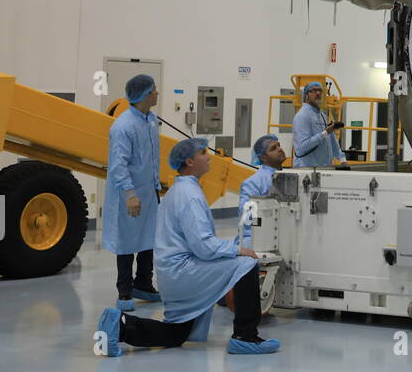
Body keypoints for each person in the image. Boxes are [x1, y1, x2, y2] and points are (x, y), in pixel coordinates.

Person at [96, 138, 281, 356]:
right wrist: (237, 249)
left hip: (173, 274)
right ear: (190, 161)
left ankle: (121, 325)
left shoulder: (179, 190)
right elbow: (203, 245)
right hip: (183, 272)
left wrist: (229, 248)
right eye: (203, 152)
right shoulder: (189, 195)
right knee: (247, 264)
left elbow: (198, 243)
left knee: (176, 334)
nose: (209, 156)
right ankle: (245, 336)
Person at [103, 74, 162, 311]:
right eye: (155, 90)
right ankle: (125, 292)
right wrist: (130, 193)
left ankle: (144, 283)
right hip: (129, 193)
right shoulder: (123, 126)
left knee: (149, 238)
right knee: (126, 242)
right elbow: (119, 164)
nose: (157, 93)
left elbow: (152, 157)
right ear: (146, 94)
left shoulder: (150, 119)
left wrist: (157, 185)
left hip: (149, 190)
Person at [238, 134, 286, 247]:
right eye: (273, 148)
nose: (279, 149)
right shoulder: (253, 182)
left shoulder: (288, 177)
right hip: (255, 238)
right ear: (263, 158)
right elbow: (247, 217)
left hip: (281, 235)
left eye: (279, 145)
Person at [292, 80, 344, 167]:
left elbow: (332, 141)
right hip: (306, 170)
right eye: (314, 91)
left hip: (324, 169)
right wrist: (325, 133)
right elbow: (302, 147)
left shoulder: (322, 115)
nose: (318, 93)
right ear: (306, 95)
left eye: (320, 91)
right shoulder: (302, 116)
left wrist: (343, 160)